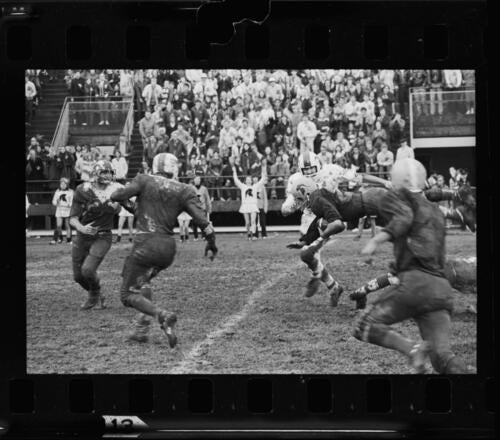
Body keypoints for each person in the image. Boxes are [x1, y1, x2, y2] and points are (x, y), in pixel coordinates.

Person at [353, 158, 469, 373]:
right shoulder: (435, 211)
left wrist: (374, 241)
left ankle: (413, 350)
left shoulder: (397, 197)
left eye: (392, 177)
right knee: (443, 359)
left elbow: (404, 218)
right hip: (441, 290)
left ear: (401, 180)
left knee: (364, 325)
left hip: (415, 285)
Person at [109, 153, 218, 346]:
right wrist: (211, 243)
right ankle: (142, 330)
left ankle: (162, 315)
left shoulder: (144, 179)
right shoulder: (185, 189)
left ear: (155, 165)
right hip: (167, 249)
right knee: (142, 281)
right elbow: (203, 221)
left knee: (127, 295)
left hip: (146, 244)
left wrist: (118, 196)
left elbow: (117, 195)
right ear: (173, 168)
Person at [69, 160, 124, 310]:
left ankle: (94, 295)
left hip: (103, 236)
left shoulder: (117, 189)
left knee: (88, 270)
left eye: (109, 172)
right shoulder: (83, 189)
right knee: (78, 276)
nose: (107, 175)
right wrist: (82, 228)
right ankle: (97, 293)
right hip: (82, 236)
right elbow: (73, 218)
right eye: (104, 172)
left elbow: (134, 207)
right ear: (96, 173)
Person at [233, 162, 267, 240]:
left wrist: (263, 170)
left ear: (251, 181)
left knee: (253, 221)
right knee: (247, 223)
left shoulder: (255, 186)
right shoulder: (243, 186)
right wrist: (234, 171)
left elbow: (262, 179)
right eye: (247, 180)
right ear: (245, 181)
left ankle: (254, 235)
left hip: (253, 205)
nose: (248, 181)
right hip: (245, 205)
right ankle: (249, 233)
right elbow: (236, 180)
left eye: (250, 180)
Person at [51, 177, 74, 244]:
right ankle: (59, 238)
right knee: (58, 225)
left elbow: (72, 201)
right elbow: (53, 201)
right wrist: (56, 203)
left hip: (68, 210)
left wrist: (69, 205)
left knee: (67, 225)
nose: (63, 185)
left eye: (64, 184)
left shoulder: (71, 191)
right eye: (61, 184)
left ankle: (69, 239)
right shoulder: (57, 191)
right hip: (59, 210)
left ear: (67, 185)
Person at [191, 176, 211, 241]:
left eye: (197, 180)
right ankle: (196, 237)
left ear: (200, 181)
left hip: (202, 208)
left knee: (203, 223)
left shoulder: (204, 189)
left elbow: (207, 198)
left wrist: (209, 207)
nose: (196, 182)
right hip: (195, 208)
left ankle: (204, 236)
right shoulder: (192, 188)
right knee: (194, 223)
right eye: (195, 180)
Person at [253, 174, 268, 239]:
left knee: (262, 221)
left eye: (256, 178)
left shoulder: (262, 187)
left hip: (261, 206)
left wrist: (266, 207)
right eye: (254, 178)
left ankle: (264, 235)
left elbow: (265, 198)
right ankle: (255, 235)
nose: (255, 179)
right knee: (254, 222)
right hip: (253, 207)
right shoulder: (251, 187)